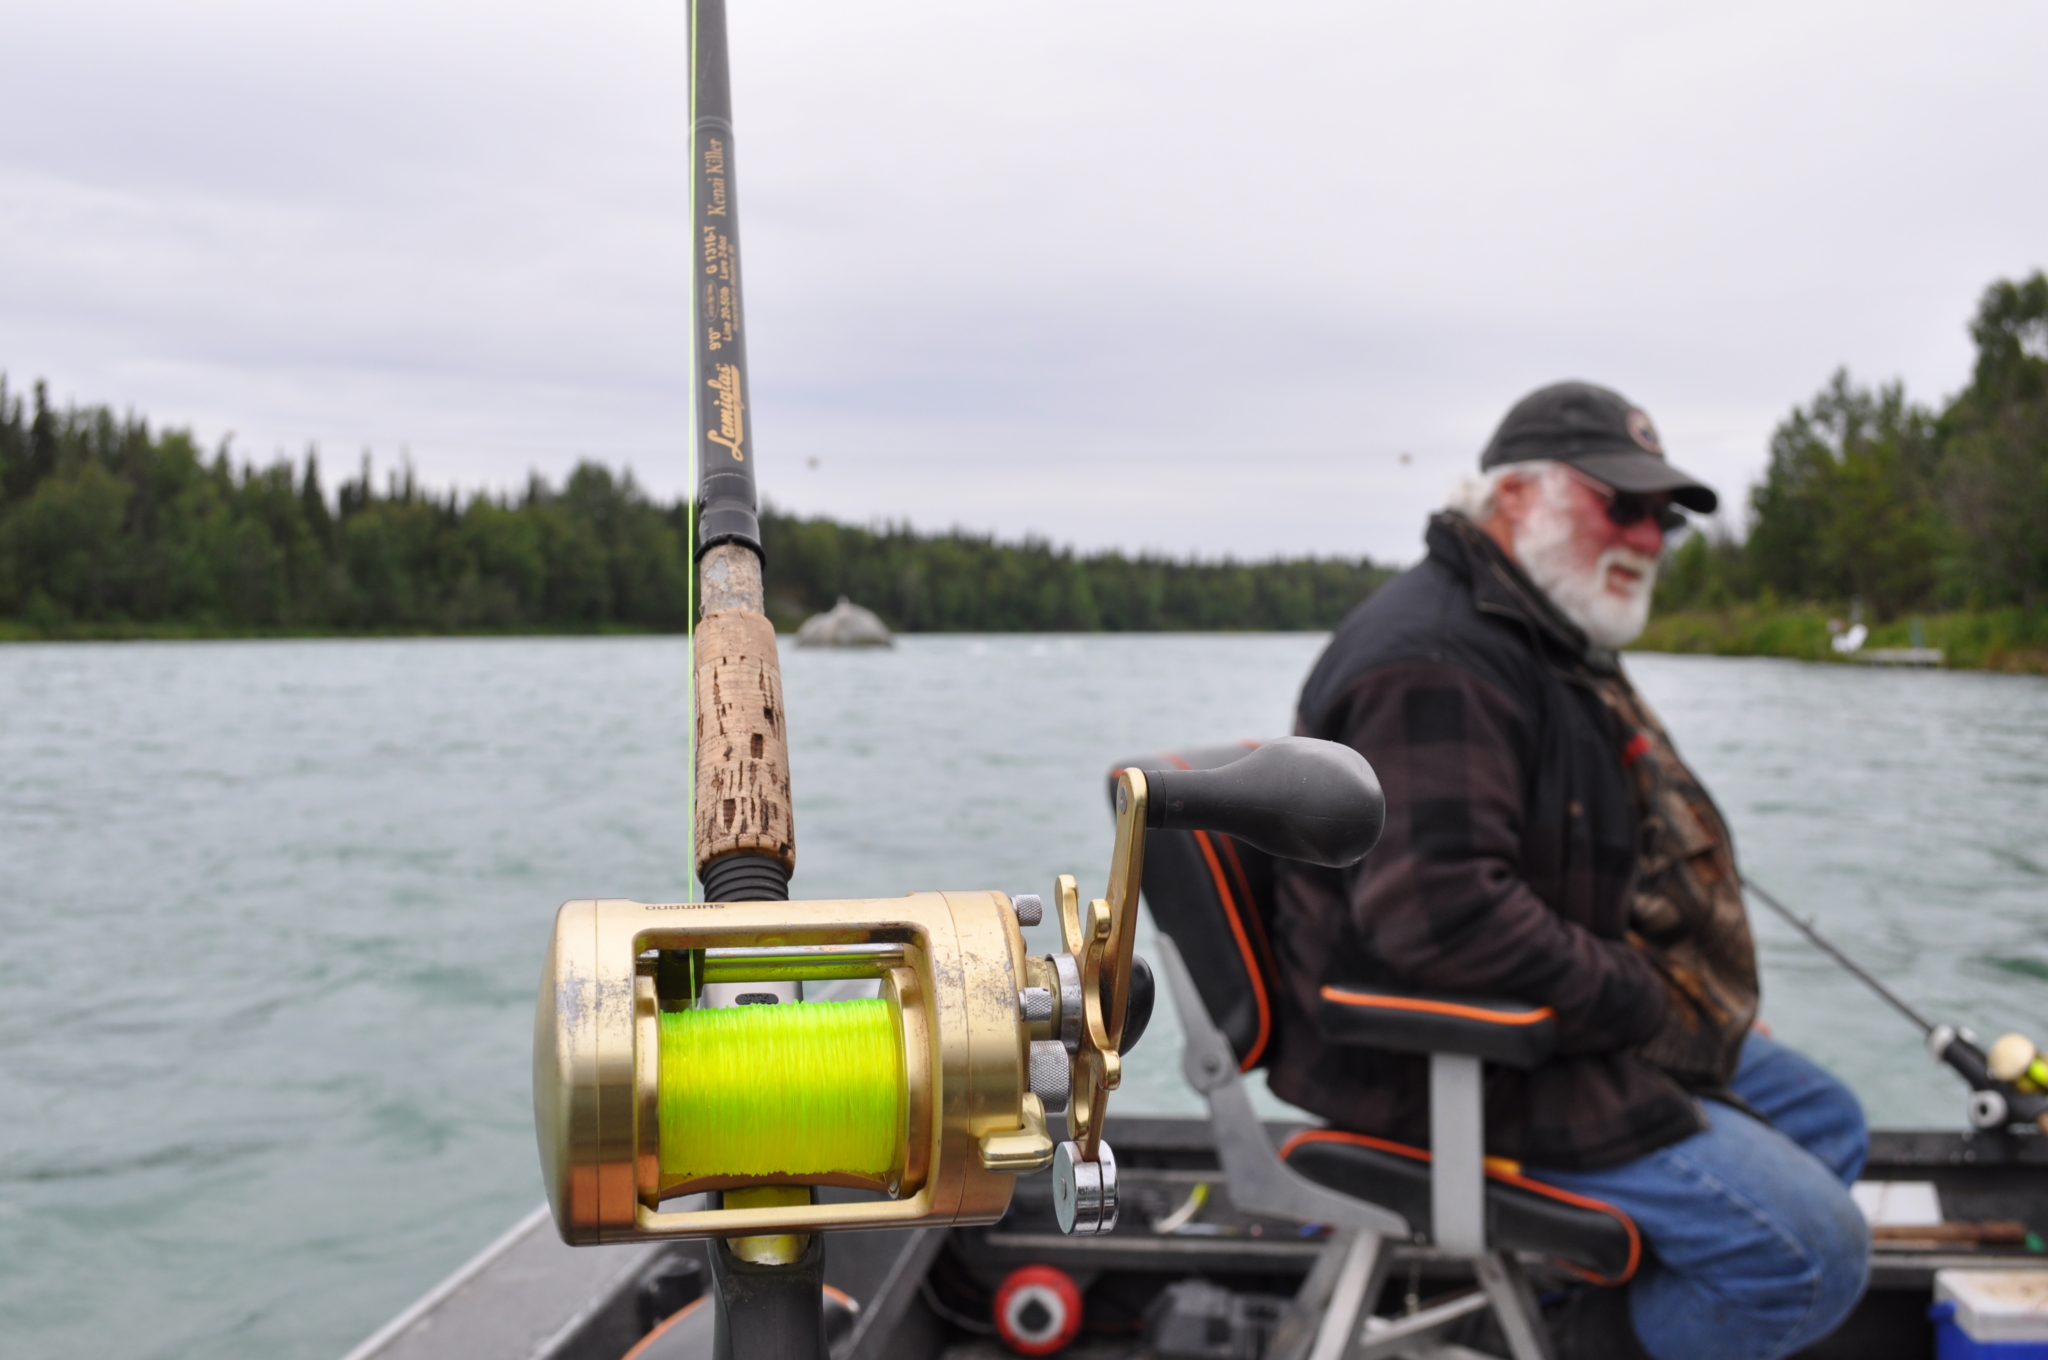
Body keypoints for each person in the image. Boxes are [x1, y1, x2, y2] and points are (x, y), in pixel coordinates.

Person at [1271, 382, 1869, 1360]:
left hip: (1542, 1025)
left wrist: (1689, 995)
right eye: (1619, 503)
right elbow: (1440, 917)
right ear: (1512, 498)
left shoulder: (1538, 635)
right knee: (1812, 1254)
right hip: (1449, 1060)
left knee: (1825, 1118)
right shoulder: (1435, 657)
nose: (1646, 536)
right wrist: (1645, 1000)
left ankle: (1587, 1320)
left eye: (1662, 517)